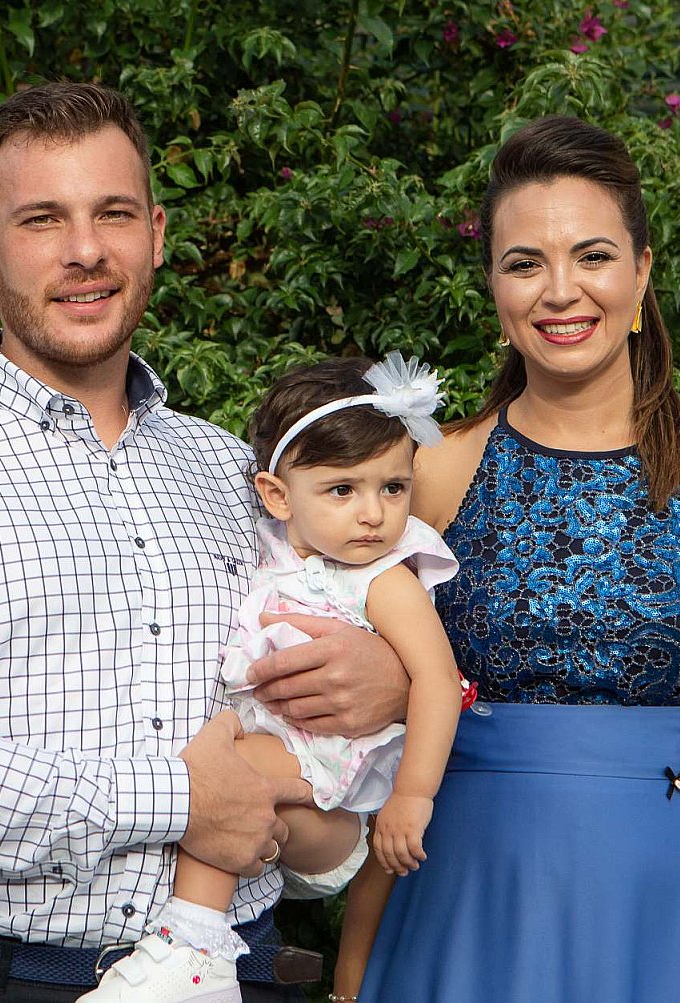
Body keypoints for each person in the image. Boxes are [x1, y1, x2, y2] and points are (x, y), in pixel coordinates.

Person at [0, 81, 408, 1003]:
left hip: (241, 969)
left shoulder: (235, 471)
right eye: (42, 219)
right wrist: (180, 799)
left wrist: (387, 681)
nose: (85, 250)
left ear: (155, 233)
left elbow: (312, 768)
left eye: (113, 213)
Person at [345, 115, 680, 1003]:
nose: (561, 291)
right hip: (469, 910)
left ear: (642, 272)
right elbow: (362, 732)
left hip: (670, 922)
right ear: (494, 287)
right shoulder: (430, 474)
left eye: (592, 256)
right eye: (525, 263)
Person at [77, 354, 465, 1003]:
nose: (373, 513)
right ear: (278, 495)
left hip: (323, 749)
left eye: (393, 488)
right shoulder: (268, 545)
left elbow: (438, 680)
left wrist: (413, 796)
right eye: (343, 490)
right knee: (230, 790)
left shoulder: (384, 579)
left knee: (225, 778)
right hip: (283, 748)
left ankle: (193, 948)